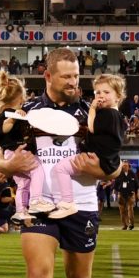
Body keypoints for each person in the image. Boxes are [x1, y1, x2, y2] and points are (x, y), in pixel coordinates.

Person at [0, 48, 117, 278]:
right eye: (66, 76)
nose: (74, 82)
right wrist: (6, 165)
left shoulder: (93, 111)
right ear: (48, 76)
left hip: (81, 203)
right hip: (41, 205)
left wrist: (105, 171)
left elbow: (115, 161)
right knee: (38, 273)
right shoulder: (27, 112)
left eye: (77, 76)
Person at [46, 74, 127, 219]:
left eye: (106, 92)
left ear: (118, 97)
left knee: (60, 168)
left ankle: (67, 202)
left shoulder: (107, 113)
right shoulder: (118, 116)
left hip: (98, 159)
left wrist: (92, 109)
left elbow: (92, 127)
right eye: (98, 92)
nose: (101, 95)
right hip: (106, 161)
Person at [0, 71, 33, 222]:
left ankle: (25, 209)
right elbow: (5, 128)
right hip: (13, 152)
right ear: (22, 97)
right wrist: (14, 119)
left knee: (25, 182)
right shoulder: (10, 114)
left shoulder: (10, 113)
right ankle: (26, 208)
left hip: (12, 152)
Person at [112, 162, 137, 230]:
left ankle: (131, 224)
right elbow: (116, 184)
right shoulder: (119, 173)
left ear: (129, 166)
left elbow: (137, 184)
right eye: (123, 165)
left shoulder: (132, 173)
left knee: (130, 209)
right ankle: (124, 225)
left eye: (125, 165)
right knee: (122, 210)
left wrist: (138, 192)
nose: (124, 167)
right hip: (121, 194)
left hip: (130, 193)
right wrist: (114, 191)